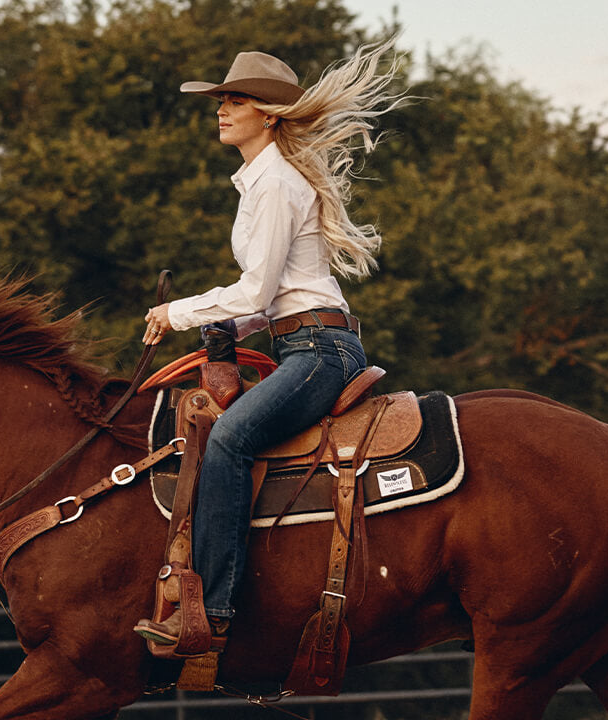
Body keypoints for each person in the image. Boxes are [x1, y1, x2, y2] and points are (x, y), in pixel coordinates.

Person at [131, 44, 407, 652]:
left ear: (270, 114)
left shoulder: (276, 184)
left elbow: (255, 288)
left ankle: (212, 610)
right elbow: (270, 299)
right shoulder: (261, 181)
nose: (222, 111)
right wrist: (228, 331)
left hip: (319, 352)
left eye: (235, 101)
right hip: (301, 341)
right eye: (222, 101)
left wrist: (177, 312)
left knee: (231, 439)